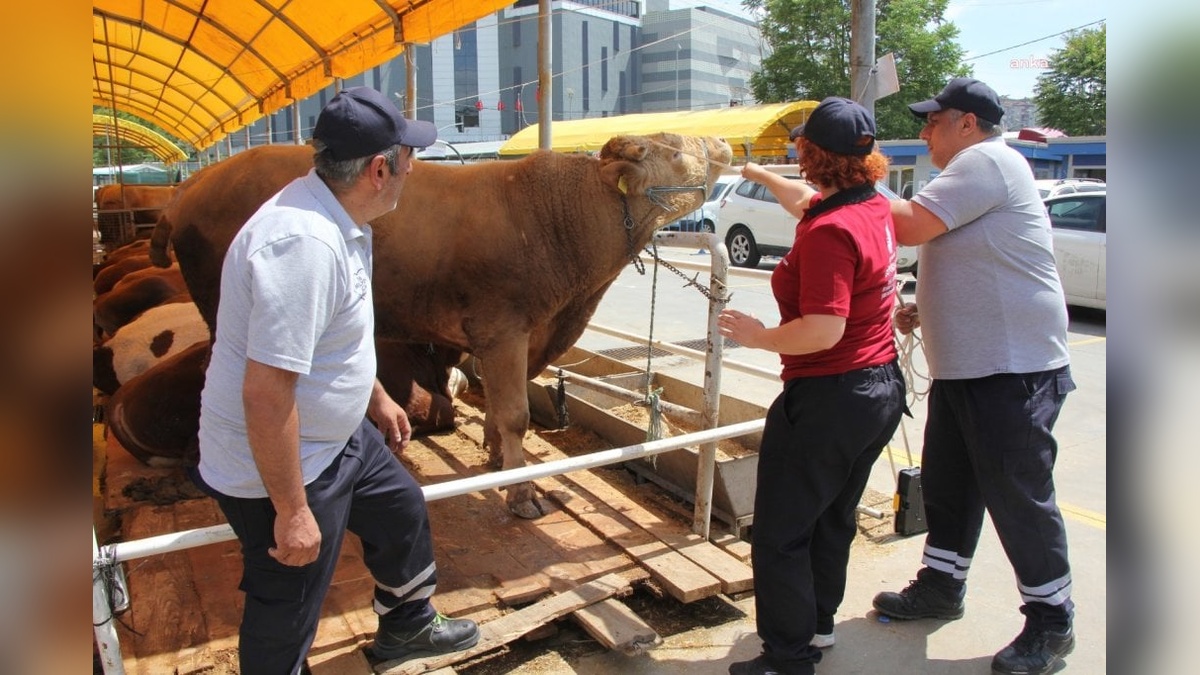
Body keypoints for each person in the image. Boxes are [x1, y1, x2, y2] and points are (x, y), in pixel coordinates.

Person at [191, 86, 479, 673]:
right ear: (379, 169)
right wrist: (292, 510)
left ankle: (409, 624)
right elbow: (267, 394)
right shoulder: (304, 246)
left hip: (338, 436)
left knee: (400, 509)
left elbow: (328, 339)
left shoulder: (339, 215)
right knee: (290, 593)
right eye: (408, 155)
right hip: (282, 458)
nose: (413, 167)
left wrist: (372, 396)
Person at [871, 77, 1076, 675]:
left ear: (966, 122)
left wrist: (849, 180)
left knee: (1019, 497)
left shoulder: (986, 159)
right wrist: (922, 309)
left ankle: (1052, 619)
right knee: (949, 485)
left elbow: (908, 226)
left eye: (933, 121)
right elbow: (962, 251)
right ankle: (942, 583)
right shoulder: (974, 168)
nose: (923, 132)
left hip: (1013, 369)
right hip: (971, 367)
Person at [719, 96, 907, 675]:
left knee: (779, 533)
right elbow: (802, 199)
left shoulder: (829, 233)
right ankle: (818, 626)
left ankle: (787, 657)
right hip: (878, 391)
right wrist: (747, 171)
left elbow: (823, 330)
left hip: (829, 396)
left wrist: (757, 336)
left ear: (813, 153)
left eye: (801, 145)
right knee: (832, 517)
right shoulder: (871, 206)